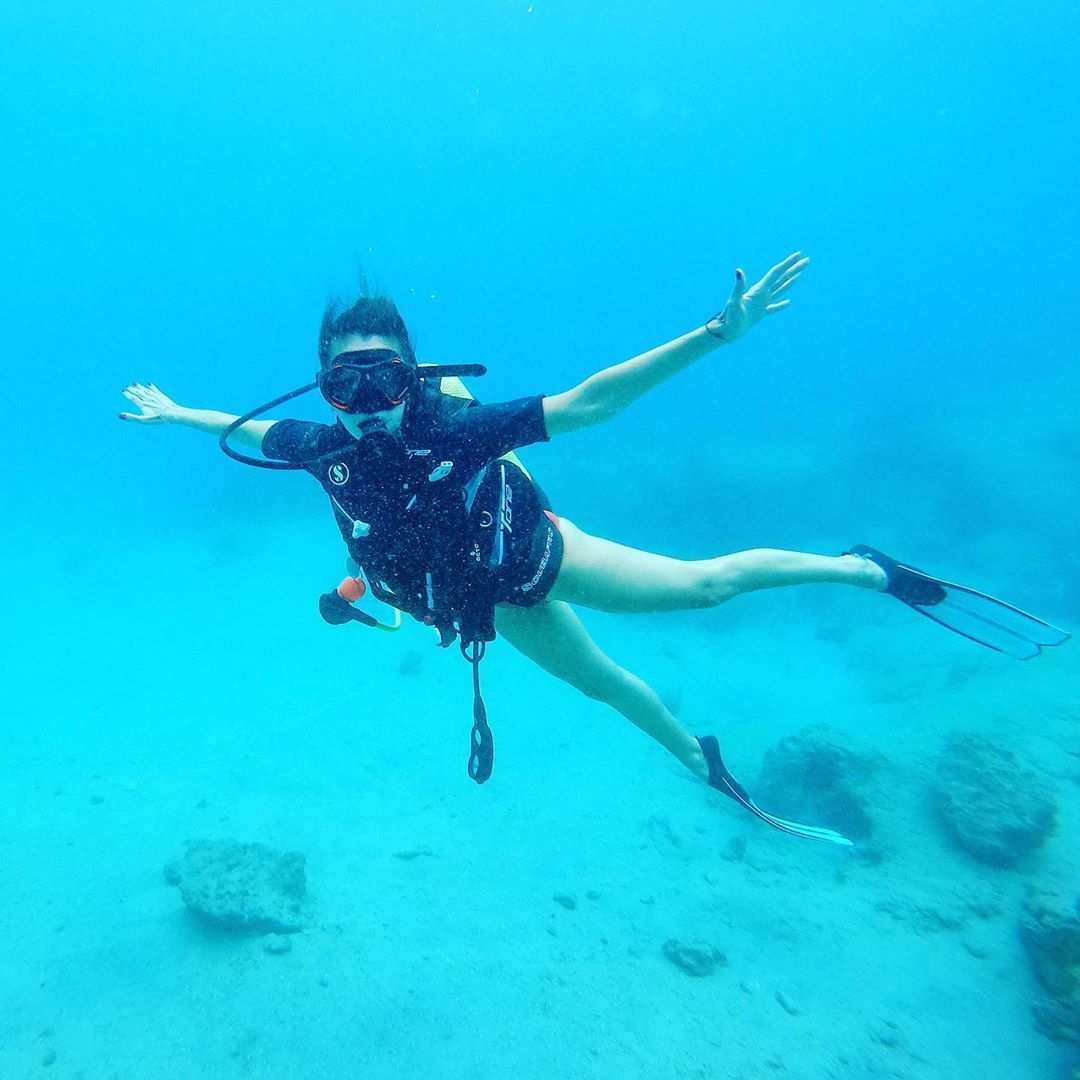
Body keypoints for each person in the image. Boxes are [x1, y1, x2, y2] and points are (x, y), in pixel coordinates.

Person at [120, 253, 1068, 845]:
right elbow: (236, 429)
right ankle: (707, 765)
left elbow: (589, 401)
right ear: (322, 392)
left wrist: (714, 334)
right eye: (344, 387)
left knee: (703, 590)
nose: (366, 408)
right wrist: (172, 414)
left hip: (540, 560)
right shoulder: (318, 445)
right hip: (486, 607)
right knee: (607, 686)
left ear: (414, 376)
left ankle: (868, 569)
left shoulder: (459, 428)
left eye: (383, 381)